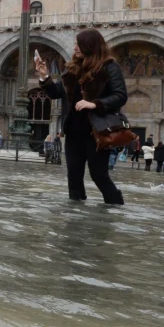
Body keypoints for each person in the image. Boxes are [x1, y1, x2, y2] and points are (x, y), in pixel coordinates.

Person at [36, 28, 127, 205]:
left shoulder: (109, 67)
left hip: (97, 130)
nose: (74, 48)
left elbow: (120, 96)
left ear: (89, 46)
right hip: (73, 131)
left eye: (78, 44)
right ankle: (76, 212)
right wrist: (44, 76)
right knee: (73, 176)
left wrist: (95, 104)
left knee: (99, 175)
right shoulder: (72, 68)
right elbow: (56, 93)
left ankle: (116, 207)